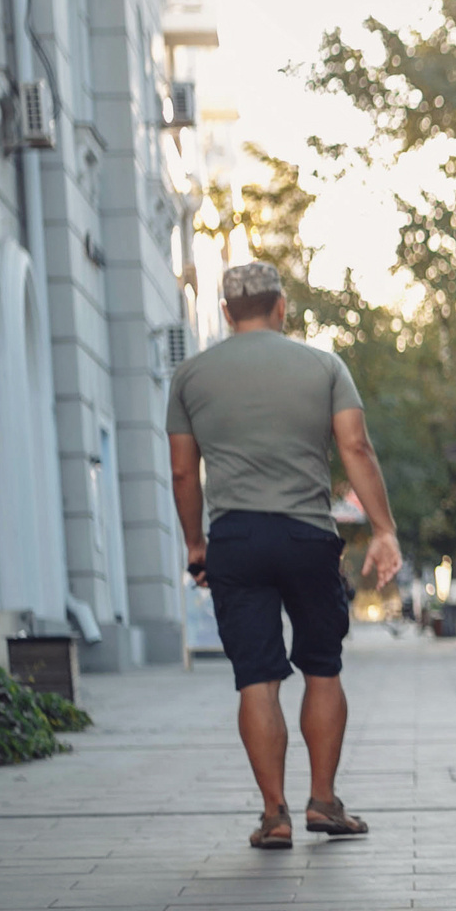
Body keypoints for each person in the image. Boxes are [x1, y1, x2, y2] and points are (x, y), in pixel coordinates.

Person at [168, 263, 401, 851]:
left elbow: (181, 469)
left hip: (236, 541)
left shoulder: (191, 375)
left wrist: (196, 544)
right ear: (282, 307)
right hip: (306, 536)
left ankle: (274, 816)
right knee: (322, 667)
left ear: (225, 312)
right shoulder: (323, 366)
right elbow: (355, 446)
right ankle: (323, 801)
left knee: (257, 678)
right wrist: (383, 529)